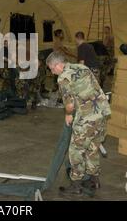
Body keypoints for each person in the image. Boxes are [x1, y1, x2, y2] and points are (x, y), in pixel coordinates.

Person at [46, 51, 110, 195]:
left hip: (86, 119)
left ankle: (76, 186)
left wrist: (68, 115)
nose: (52, 72)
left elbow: (69, 105)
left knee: (76, 151)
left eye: (51, 68)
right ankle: (94, 180)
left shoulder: (63, 78)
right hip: (101, 113)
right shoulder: (82, 68)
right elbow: (94, 86)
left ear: (58, 65)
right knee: (93, 148)